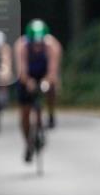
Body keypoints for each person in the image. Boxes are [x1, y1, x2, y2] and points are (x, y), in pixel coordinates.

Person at [14, 19, 63, 162]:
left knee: (52, 87)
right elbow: (21, 70)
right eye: (34, 44)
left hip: (44, 74)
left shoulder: (52, 45)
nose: (37, 47)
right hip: (27, 76)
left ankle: (51, 113)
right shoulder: (21, 46)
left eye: (39, 43)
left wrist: (47, 82)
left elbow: (53, 70)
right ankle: (28, 143)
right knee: (25, 112)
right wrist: (28, 82)